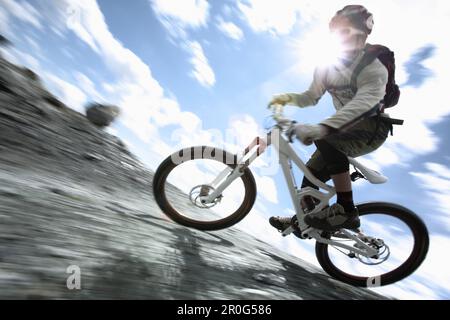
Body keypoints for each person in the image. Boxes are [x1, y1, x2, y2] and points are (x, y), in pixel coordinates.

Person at [268, 5, 395, 232]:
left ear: (363, 34)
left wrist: (324, 128)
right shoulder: (327, 66)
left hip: (372, 127)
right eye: (337, 33)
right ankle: (302, 222)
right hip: (342, 127)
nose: (343, 39)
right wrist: (286, 98)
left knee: (325, 139)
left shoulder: (373, 66)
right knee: (309, 182)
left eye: (349, 33)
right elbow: (310, 97)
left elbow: (364, 103)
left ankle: (346, 209)